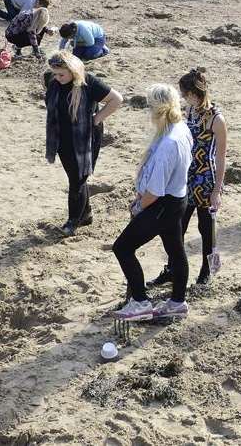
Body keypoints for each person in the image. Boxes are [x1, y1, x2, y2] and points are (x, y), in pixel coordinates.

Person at [112, 84, 193, 322]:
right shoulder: (181, 128)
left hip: (162, 204)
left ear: (156, 109)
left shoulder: (168, 143)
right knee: (175, 250)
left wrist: (139, 206)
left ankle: (140, 303)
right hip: (178, 199)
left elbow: (154, 192)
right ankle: (177, 302)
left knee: (123, 248)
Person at [148, 69, 227, 289]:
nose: (182, 98)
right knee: (176, 227)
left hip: (205, 179)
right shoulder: (189, 110)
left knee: (206, 228)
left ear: (194, 93)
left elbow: (221, 157)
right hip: (185, 177)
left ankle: (207, 270)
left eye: (185, 93)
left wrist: (217, 190)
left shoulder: (216, 119)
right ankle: (172, 270)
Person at [44, 51, 123, 236]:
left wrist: (96, 119)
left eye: (61, 74)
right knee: (76, 176)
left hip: (84, 138)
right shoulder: (52, 80)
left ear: (73, 71)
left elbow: (116, 99)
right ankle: (85, 214)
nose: (57, 78)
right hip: (62, 137)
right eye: (55, 74)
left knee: (77, 179)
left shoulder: (89, 83)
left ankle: (73, 221)